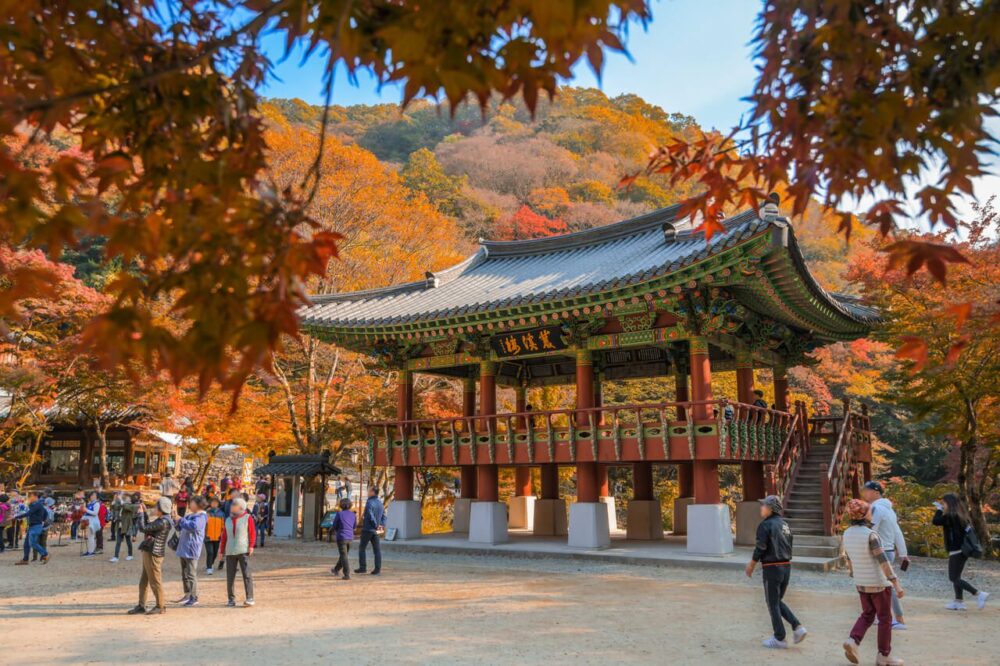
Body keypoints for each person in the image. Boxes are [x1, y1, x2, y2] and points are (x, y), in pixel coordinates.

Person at [842, 499, 905, 666]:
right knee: (885, 618)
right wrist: (896, 583)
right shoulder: (871, 535)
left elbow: (849, 559)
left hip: (861, 582)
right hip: (878, 583)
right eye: (869, 511)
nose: (871, 513)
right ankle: (884, 655)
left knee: (868, 614)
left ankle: (853, 640)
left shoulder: (846, 533)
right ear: (864, 514)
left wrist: (855, 574)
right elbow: (883, 561)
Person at [745, 495, 805, 649]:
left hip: (772, 567)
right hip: (786, 566)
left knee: (772, 603)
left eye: (764, 505)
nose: (761, 507)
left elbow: (761, 547)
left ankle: (780, 637)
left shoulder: (765, 525)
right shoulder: (785, 525)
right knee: (776, 601)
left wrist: (751, 564)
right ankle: (797, 627)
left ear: (771, 508)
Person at [860, 481, 910, 629]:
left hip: (880, 551)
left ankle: (899, 619)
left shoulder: (876, 508)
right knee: (880, 585)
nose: (865, 493)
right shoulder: (889, 510)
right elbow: (897, 532)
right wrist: (903, 553)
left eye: (867, 491)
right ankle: (881, 615)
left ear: (876, 492)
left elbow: (870, 530)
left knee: (886, 586)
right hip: (888, 551)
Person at [932, 492, 989, 611]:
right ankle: (959, 602)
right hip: (963, 550)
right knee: (957, 576)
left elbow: (936, 521)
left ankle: (978, 594)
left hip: (957, 550)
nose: (943, 505)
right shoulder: (960, 515)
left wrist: (938, 509)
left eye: (944, 503)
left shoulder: (951, 516)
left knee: (953, 578)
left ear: (949, 503)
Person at [129, 497, 172, 615]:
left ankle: (160, 605)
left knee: (155, 581)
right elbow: (148, 527)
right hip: (150, 551)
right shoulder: (162, 520)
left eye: (156, 506)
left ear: (162, 508)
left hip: (153, 553)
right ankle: (141, 605)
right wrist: (145, 514)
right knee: (144, 580)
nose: (154, 508)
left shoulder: (163, 521)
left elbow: (143, 528)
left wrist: (142, 514)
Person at [219, 496, 256, 607]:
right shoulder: (228, 520)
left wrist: (251, 546)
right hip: (230, 550)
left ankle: (250, 598)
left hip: (243, 549)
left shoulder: (247, 517)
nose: (231, 506)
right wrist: (221, 551)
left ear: (240, 507)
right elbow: (224, 536)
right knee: (230, 576)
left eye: (234, 505)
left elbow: (252, 532)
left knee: (246, 574)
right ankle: (231, 599)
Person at [174, 495, 207, 607]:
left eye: (192, 502)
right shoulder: (190, 515)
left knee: (191, 573)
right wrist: (176, 520)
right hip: (184, 547)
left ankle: (194, 597)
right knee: (184, 573)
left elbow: (193, 526)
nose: (190, 504)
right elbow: (180, 527)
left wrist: (180, 519)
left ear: (198, 504)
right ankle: (187, 594)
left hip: (192, 548)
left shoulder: (201, 516)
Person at [355, 486, 386, 576]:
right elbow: (384, 516)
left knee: (362, 548)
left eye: (368, 491)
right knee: (377, 550)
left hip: (368, 528)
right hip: (378, 528)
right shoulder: (380, 503)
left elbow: (369, 515)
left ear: (372, 492)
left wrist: (375, 525)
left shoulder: (369, 502)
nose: (367, 492)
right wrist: (381, 526)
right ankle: (377, 569)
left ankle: (363, 567)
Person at [15, 490, 49, 565]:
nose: (29, 498)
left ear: (35, 496)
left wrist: (16, 517)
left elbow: (28, 513)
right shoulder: (34, 504)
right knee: (26, 544)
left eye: (30, 496)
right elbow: (45, 513)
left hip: (36, 526)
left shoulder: (37, 505)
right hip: (33, 526)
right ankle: (25, 559)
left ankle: (45, 554)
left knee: (33, 543)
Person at [330, 498, 356, 580]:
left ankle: (347, 574)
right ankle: (336, 569)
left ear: (341, 505)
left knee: (343, 556)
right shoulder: (353, 514)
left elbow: (334, 526)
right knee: (344, 555)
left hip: (341, 537)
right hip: (350, 537)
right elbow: (354, 526)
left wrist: (333, 531)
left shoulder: (339, 514)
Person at [111, 492, 141, 562]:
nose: (125, 499)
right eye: (125, 498)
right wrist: (114, 501)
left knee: (128, 541)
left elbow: (125, 506)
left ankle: (130, 555)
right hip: (120, 526)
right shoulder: (122, 505)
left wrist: (121, 499)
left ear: (130, 500)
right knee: (118, 541)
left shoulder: (132, 506)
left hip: (127, 526)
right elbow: (115, 507)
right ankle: (116, 557)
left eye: (127, 498)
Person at [204, 496, 225, 575]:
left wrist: (222, 535)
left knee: (215, 552)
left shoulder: (221, 513)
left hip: (217, 537)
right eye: (212, 502)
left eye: (216, 502)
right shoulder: (207, 513)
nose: (214, 504)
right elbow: (203, 525)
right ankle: (209, 567)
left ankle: (211, 563)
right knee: (210, 552)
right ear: (210, 504)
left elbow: (223, 525)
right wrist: (204, 534)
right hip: (208, 537)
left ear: (218, 504)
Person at [82, 491, 101, 557]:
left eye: (94, 495)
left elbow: (95, 513)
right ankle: (89, 551)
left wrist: (86, 510)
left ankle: (91, 552)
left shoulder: (96, 504)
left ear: (96, 497)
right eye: (91, 495)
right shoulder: (90, 503)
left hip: (92, 522)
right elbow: (87, 513)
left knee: (91, 537)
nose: (92, 496)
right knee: (90, 537)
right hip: (88, 522)